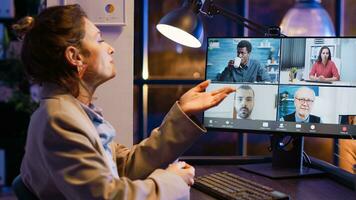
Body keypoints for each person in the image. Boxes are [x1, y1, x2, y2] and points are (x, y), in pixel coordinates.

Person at [13, 5, 235, 199]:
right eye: (99, 39)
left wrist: (182, 113)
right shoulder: (60, 119)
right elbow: (109, 197)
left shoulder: (72, 112)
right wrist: (172, 179)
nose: (110, 47)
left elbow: (125, 167)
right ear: (75, 57)